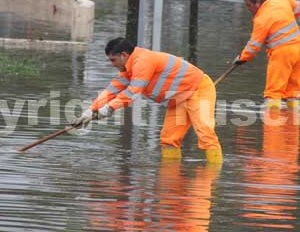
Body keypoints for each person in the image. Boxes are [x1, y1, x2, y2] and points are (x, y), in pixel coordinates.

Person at [71, 37, 223, 163]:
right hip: (179, 100)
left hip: (198, 90)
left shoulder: (142, 61)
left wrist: (108, 109)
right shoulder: (128, 70)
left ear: (124, 55)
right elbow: (111, 91)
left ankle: (213, 180)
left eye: (113, 60)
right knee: (169, 140)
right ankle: (171, 182)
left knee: (205, 132)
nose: (112, 64)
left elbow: (132, 93)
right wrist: (89, 111)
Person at [234, 0, 300, 111]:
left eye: (249, 5)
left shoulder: (261, 19)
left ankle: (273, 124)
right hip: (299, 50)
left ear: (257, 3)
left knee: (274, 93)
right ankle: (291, 123)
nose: (248, 9)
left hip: (282, 53)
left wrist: (242, 58)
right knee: (292, 92)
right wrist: (287, 18)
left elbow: (254, 46)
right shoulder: (283, 2)